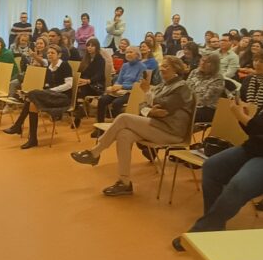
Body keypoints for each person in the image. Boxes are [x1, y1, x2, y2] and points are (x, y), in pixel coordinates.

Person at [172, 63, 263, 248]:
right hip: (255, 150)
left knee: (239, 184)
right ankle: (214, 223)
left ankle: (204, 230)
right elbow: (255, 130)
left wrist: (243, 118)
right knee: (212, 166)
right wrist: (242, 116)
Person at [71, 56, 195, 196]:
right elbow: (144, 105)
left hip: (172, 132)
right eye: (161, 65)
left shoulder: (182, 87)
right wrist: (150, 110)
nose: (161, 68)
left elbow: (166, 106)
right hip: (158, 125)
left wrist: (148, 94)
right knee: (124, 134)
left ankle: (95, 152)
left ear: (176, 69)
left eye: (166, 66)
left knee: (123, 117)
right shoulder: (163, 85)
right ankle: (124, 183)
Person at [2, 46, 73, 149]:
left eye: (52, 53)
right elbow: (46, 85)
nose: (49, 55)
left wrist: (51, 90)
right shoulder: (48, 67)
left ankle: (18, 126)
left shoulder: (65, 65)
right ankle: (32, 139)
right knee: (32, 103)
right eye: (48, 53)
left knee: (32, 94)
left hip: (62, 98)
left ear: (59, 55)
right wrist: (46, 90)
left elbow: (69, 84)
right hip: (50, 96)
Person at [94, 45, 146, 135]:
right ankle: (100, 128)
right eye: (127, 52)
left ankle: (118, 128)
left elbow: (138, 84)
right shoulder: (125, 65)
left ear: (137, 54)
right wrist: (115, 86)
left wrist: (121, 86)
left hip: (132, 92)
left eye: (131, 52)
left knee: (116, 103)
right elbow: (119, 80)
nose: (128, 54)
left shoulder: (142, 67)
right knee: (102, 100)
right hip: (120, 90)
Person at [74, 38, 107, 128]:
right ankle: (80, 108)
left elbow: (100, 75)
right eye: (88, 45)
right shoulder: (85, 59)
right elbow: (79, 72)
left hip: (97, 85)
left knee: (82, 88)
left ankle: (79, 113)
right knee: (77, 87)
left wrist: (88, 81)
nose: (89, 47)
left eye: (92, 46)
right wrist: (79, 79)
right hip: (84, 84)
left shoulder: (101, 60)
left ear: (97, 47)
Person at [188, 52, 226, 123]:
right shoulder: (194, 72)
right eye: (202, 60)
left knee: (183, 114)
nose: (203, 63)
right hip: (190, 104)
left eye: (208, 62)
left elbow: (205, 100)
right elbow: (186, 89)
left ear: (214, 65)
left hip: (207, 108)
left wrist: (187, 104)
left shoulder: (218, 79)